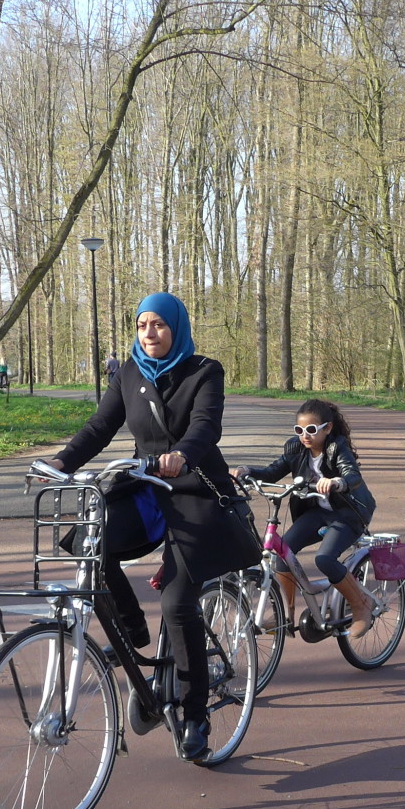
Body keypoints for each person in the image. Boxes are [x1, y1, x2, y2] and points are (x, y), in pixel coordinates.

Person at [45, 292, 260, 761]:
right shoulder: (129, 371)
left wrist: (182, 453)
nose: (150, 333)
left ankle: (196, 713)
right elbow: (101, 426)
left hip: (195, 490)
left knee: (178, 600)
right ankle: (132, 632)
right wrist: (61, 462)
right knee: (89, 543)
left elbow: (206, 426)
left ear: (176, 327)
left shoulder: (205, 370)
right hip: (146, 490)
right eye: (142, 325)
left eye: (159, 324)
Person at [230, 399, 377, 638]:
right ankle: (285, 618)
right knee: (282, 554)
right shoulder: (295, 448)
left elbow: (352, 474)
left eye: (311, 430)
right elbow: (273, 471)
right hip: (318, 512)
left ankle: (362, 606)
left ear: (327, 428)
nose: (304, 436)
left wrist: (337, 482)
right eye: (299, 430)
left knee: (325, 559)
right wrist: (247, 471)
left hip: (347, 513)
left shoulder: (337, 447)